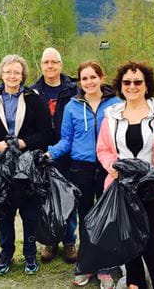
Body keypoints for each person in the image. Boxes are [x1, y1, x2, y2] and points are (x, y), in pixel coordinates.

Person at [96, 61, 154, 289]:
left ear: (147, 85)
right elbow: (103, 149)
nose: (132, 86)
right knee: (129, 244)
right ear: (120, 85)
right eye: (127, 82)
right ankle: (135, 285)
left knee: (149, 245)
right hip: (123, 190)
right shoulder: (111, 116)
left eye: (138, 82)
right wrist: (111, 165)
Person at [45, 60, 120, 289]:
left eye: (93, 77)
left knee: (107, 218)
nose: (89, 82)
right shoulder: (72, 106)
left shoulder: (116, 104)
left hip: (110, 168)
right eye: (84, 78)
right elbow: (66, 140)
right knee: (86, 218)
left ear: (101, 77)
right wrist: (49, 153)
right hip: (82, 168)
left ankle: (106, 268)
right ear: (80, 81)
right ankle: (86, 265)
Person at [0, 54, 52, 276]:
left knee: (29, 212)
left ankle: (30, 254)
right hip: (1, 167)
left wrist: (24, 142)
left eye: (16, 72)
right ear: (1, 74)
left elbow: (47, 132)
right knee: (4, 213)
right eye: (8, 72)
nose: (12, 76)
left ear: (23, 76)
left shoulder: (34, 99)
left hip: (27, 166)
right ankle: (6, 254)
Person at [31, 47, 79, 263]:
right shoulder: (33, 92)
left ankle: (69, 242)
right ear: (41, 65)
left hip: (68, 154)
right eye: (46, 62)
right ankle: (50, 242)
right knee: (45, 201)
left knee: (68, 200)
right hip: (42, 155)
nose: (50, 66)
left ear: (61, 64)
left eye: (54, 62)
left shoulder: (73, 89)